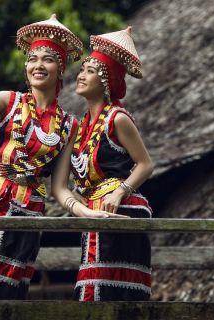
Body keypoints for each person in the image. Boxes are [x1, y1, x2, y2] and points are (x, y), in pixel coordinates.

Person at [0, 14, 83, 300]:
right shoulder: (8, 101)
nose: (38, 65)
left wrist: (86, 211)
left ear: (60, 69)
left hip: (28, 209)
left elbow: (59, 188)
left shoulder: (69, 125)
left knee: (10, 287)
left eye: (48, 59)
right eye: (32, 58)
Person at [52, 26, 154, 301]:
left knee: (112, 294)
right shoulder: (80, 126)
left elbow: (145, 164)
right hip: (92, 211)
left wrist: (120, 190)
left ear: (107, 80)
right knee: (92, 291)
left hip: (122, 210)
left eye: (90, 71)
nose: (81, 75)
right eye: (82, 69)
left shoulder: (118, 119)